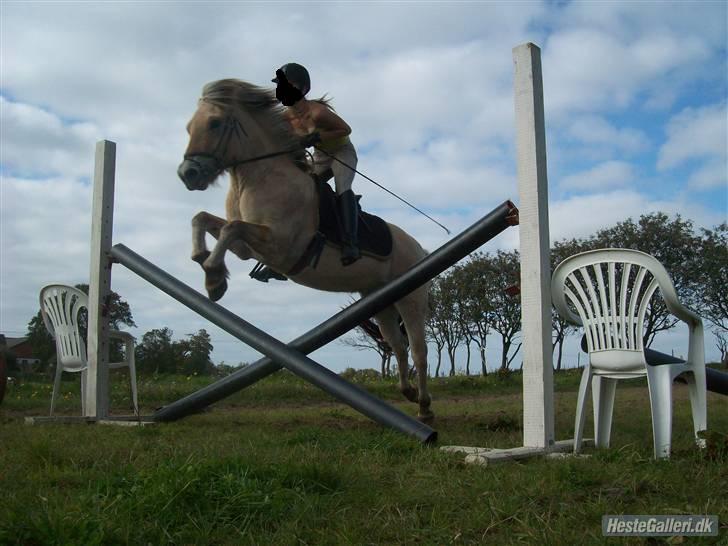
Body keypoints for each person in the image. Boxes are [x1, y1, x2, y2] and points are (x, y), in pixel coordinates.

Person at [272, 63, 361, 266]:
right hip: (320, 157)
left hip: (342, 152)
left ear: (302, 89)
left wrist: (318, 135)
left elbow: (346, 130)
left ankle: (350, 243)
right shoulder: (284, 119)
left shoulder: (318, 112)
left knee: (342, 186)